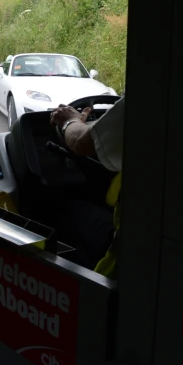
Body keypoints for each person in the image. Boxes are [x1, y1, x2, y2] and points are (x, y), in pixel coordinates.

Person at [50, 97, 125, 278]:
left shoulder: (147, 98)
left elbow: (80, 142)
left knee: (65, 211)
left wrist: (70, 120)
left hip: (127, 246)